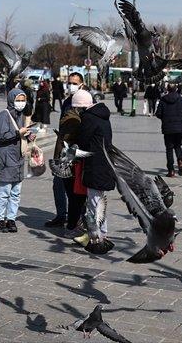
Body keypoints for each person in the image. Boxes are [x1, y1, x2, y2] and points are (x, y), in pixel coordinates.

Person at [73, 91, 115, 253]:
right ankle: (100, 234)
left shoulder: (89, 118)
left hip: (95, 166)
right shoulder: (102, 116)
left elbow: (83, 142)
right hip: (104, 164)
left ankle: (98, 238)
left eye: (77, 108)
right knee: (98, 201)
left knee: (94, 203)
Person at [46, 73, 87, 229]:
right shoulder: (67, 101)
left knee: (74, 189)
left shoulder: (85, 101)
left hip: (75, 152)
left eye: (75, 83)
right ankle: (61, 215)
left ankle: (77, 219)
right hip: (62, 149)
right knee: (58, 183)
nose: (71, 85)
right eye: (69, 82)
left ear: (82, 84)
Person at [0, 86, 33, 233]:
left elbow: (19, 134)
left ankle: (11, 219)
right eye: (18, 100)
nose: (21, 102)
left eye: (23, 100)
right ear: (11, 100)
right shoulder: (4, 114)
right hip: (6, 159)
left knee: (16, 193)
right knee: (4, 192)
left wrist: (27, 135)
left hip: (18, 159)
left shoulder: (20, 115)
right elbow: (2, 136)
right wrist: (18, 132)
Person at [155, 80, 182, 177]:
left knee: (169, 148)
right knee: (178, 145)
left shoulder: (163, 100)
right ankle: (180, 161)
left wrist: (164, 118)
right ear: (176, 89)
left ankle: (171, 170)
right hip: (180, 128)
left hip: (168, 127)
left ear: (167, 89)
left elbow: (158, 113)